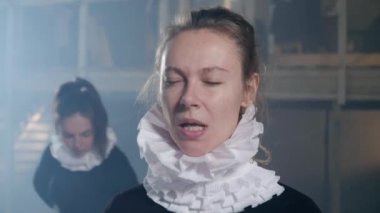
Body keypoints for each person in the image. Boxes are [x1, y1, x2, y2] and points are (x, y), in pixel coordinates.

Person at [106, 7, 321, 213]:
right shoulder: (124, 209)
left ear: (248, 90)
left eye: (211, 81)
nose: (188, 98)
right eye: (172, 81)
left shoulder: (295, 210)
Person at [33, 77, 138, 213]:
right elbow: (39, 191)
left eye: (85, 134)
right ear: (59, 130)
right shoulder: (52, 156)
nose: (77, 144)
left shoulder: (114, 160)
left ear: (97, 128)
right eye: (69, 136)